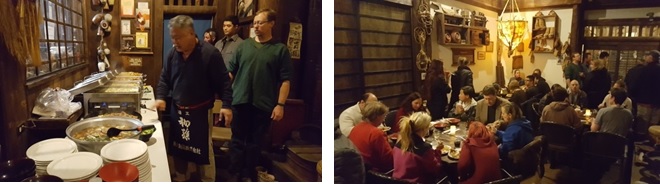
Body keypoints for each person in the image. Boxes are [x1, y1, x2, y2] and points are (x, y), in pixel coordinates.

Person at [154, 15, 233, 182]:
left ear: (191, 33)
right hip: (178, 111)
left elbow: (224, 82)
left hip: (201, 112)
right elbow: (164, 78)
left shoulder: (210, 54)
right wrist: (161, 97)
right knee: (179, 149)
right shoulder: (172, 54)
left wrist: (226, 105)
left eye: (178, 37)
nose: (174, 41)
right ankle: (181, 178)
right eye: (172, 37)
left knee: (204, 149)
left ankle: (207, 180)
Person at [226, 9, 294, 182]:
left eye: (260, 22)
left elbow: (285, 81)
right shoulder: (243, 46)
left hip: (263, 104)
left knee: (255, 143)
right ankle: (234, 173)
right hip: (240, 100)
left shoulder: (280, 50)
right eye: (254, 22)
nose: (256, 26)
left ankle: (249, 174)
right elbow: (231, 73)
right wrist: (221, 91)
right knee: (237, 141)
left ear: (271, 23)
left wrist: (280, 105)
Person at [392, 112, 444, 184]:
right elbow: (435, 168)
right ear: (424, 128)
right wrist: (438, 152)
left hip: (395, 181)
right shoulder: (424, 148)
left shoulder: (399, 143)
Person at [348, 101, 393, 173]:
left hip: (358, 168)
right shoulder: (376, 133)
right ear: (377, 116)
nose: (383, 120)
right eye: (383, 116)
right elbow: (389, 159)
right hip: (375, 172)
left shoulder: (356, 128)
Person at [628, 50, 660, 137]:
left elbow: (635, 85)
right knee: (653, 125)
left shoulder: (643, 70)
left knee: (642, 124)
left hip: (644, 101)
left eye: (647, 56)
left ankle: (640, 142)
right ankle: (652, 143)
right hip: (657, 103)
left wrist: (633, 96)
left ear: (650, 58)